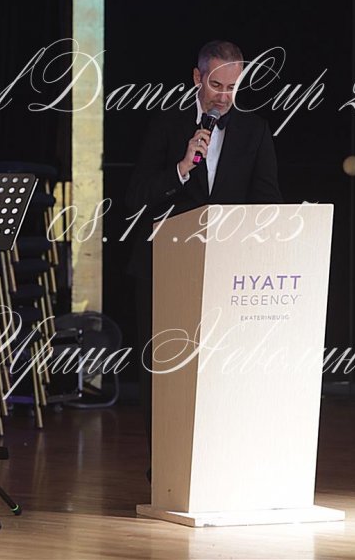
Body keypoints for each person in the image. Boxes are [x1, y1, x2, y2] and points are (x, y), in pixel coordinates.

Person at [125, 40, 283, 473]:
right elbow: (136, 197)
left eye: (232, 87)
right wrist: (182, 168)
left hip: (226, 272)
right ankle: (164, 468)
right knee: (163, 371)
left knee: (222, 370)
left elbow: (267, 205)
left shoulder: (254, 130)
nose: (223, 96)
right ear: (197, 78)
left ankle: (221, 465)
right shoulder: (165, 124)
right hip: (164, 268)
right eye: (216, 85)